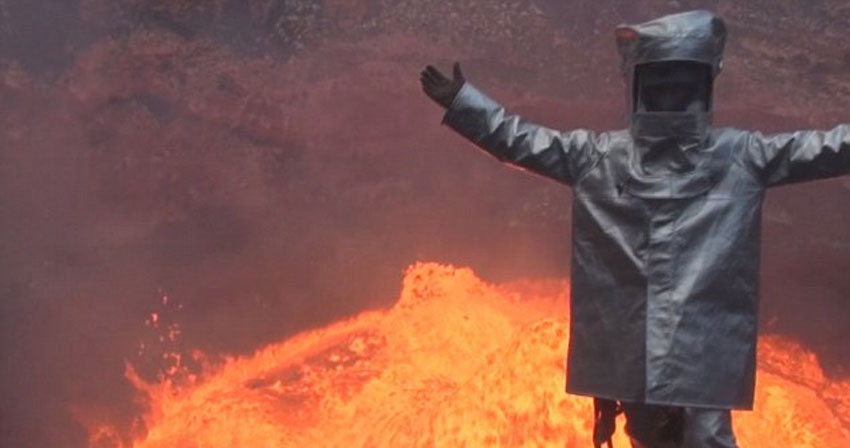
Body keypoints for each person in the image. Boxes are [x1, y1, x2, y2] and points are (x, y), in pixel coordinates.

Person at [420, 9, 850, 448]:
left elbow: (828, 149)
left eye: (681, 86)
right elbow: (520, 141)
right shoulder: (613, 158)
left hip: (688, 346)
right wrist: (465, 103)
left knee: (704, 437)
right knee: (650, 436)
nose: (671, 98)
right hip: (642, 346)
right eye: (662, 86)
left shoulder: (728, 157)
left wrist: (466, 103)